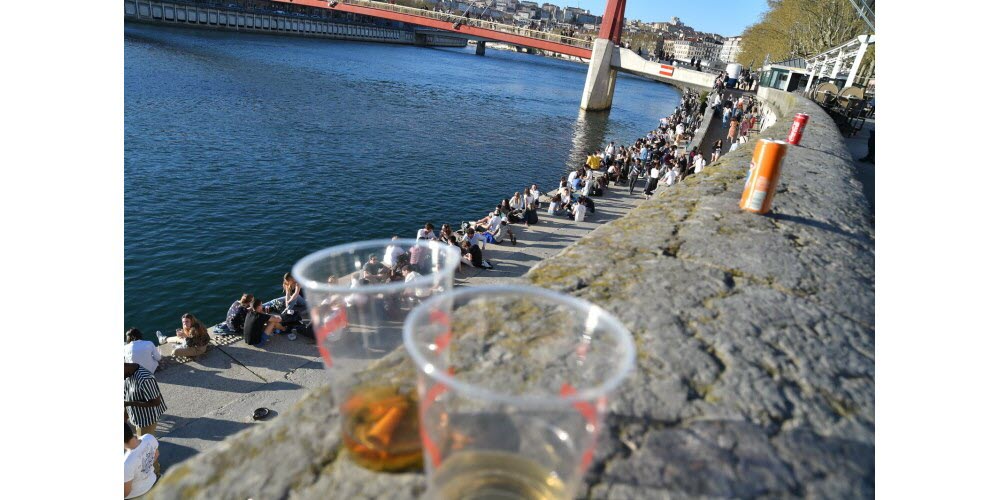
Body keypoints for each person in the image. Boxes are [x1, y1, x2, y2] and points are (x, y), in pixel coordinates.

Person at [124, 362, 167, 448]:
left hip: (146, 421)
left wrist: (129, 403)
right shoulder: (127, 373)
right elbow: (127, 394)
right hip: (136, 416)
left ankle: (154, 462)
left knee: (145, 449)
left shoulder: (145, 378)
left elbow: (156, 402)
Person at [124, 422, 159, 499]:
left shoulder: (126, 463)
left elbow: (126, 492)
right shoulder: (149, 438)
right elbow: (156, 454)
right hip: (152, 481)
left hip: (138, 494)